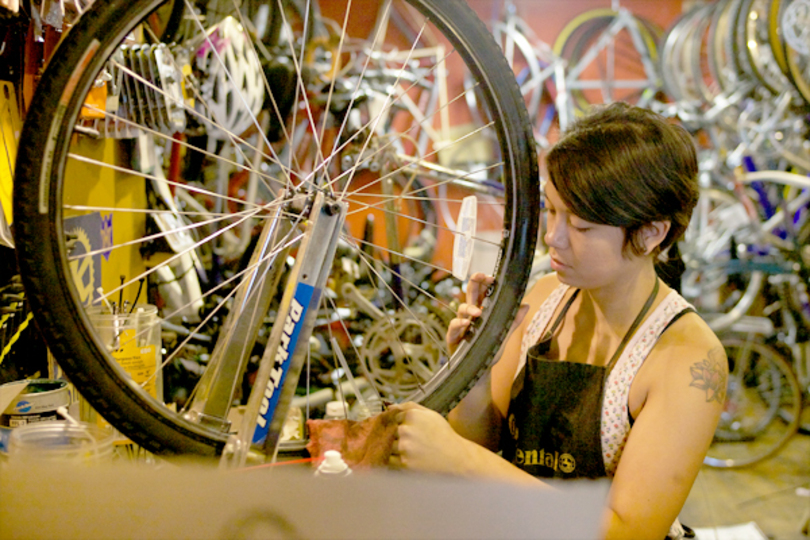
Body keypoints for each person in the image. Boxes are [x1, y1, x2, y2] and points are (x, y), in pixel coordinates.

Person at [387, 102, 728, 540]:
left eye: (582, 227)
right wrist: (474, 377)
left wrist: (457, 460)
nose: (554, 237)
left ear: (650, 233)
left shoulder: (688, 360)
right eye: (552, 211)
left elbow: (628, 531)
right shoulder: (546, 298)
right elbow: (485, 443)